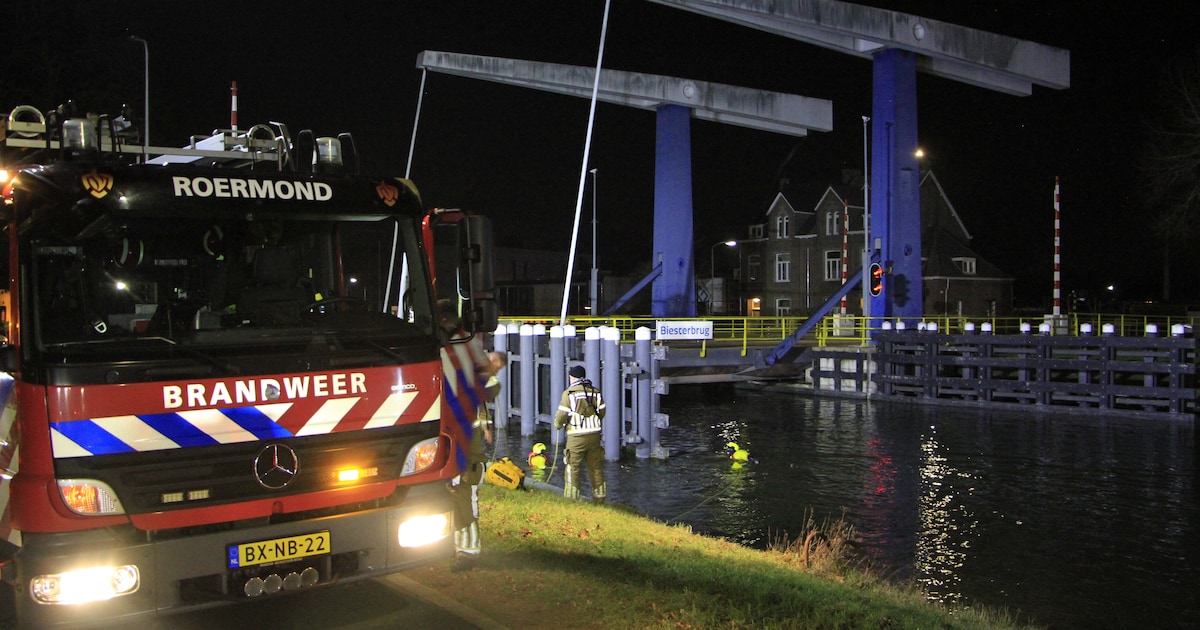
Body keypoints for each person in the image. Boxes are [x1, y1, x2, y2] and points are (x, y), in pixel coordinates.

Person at [437, 299, 499, 569]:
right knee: (451, 490)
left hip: (465, 433)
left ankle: (470, 552)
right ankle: (456, 546)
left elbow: (492, 385)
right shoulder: (449, 346)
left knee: (464, 491)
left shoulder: (465, 345)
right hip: (447, 431)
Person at [553, 365, 606, 504]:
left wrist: (558, 424)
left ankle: (571, 499)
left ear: (572, 377)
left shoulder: (569, 393)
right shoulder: (596, 392)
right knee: (595, 467)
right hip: (594, 435)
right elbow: (602, 412)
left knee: (573, 466)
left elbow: (562, 414)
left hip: (576, 436)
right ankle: (600, 499)